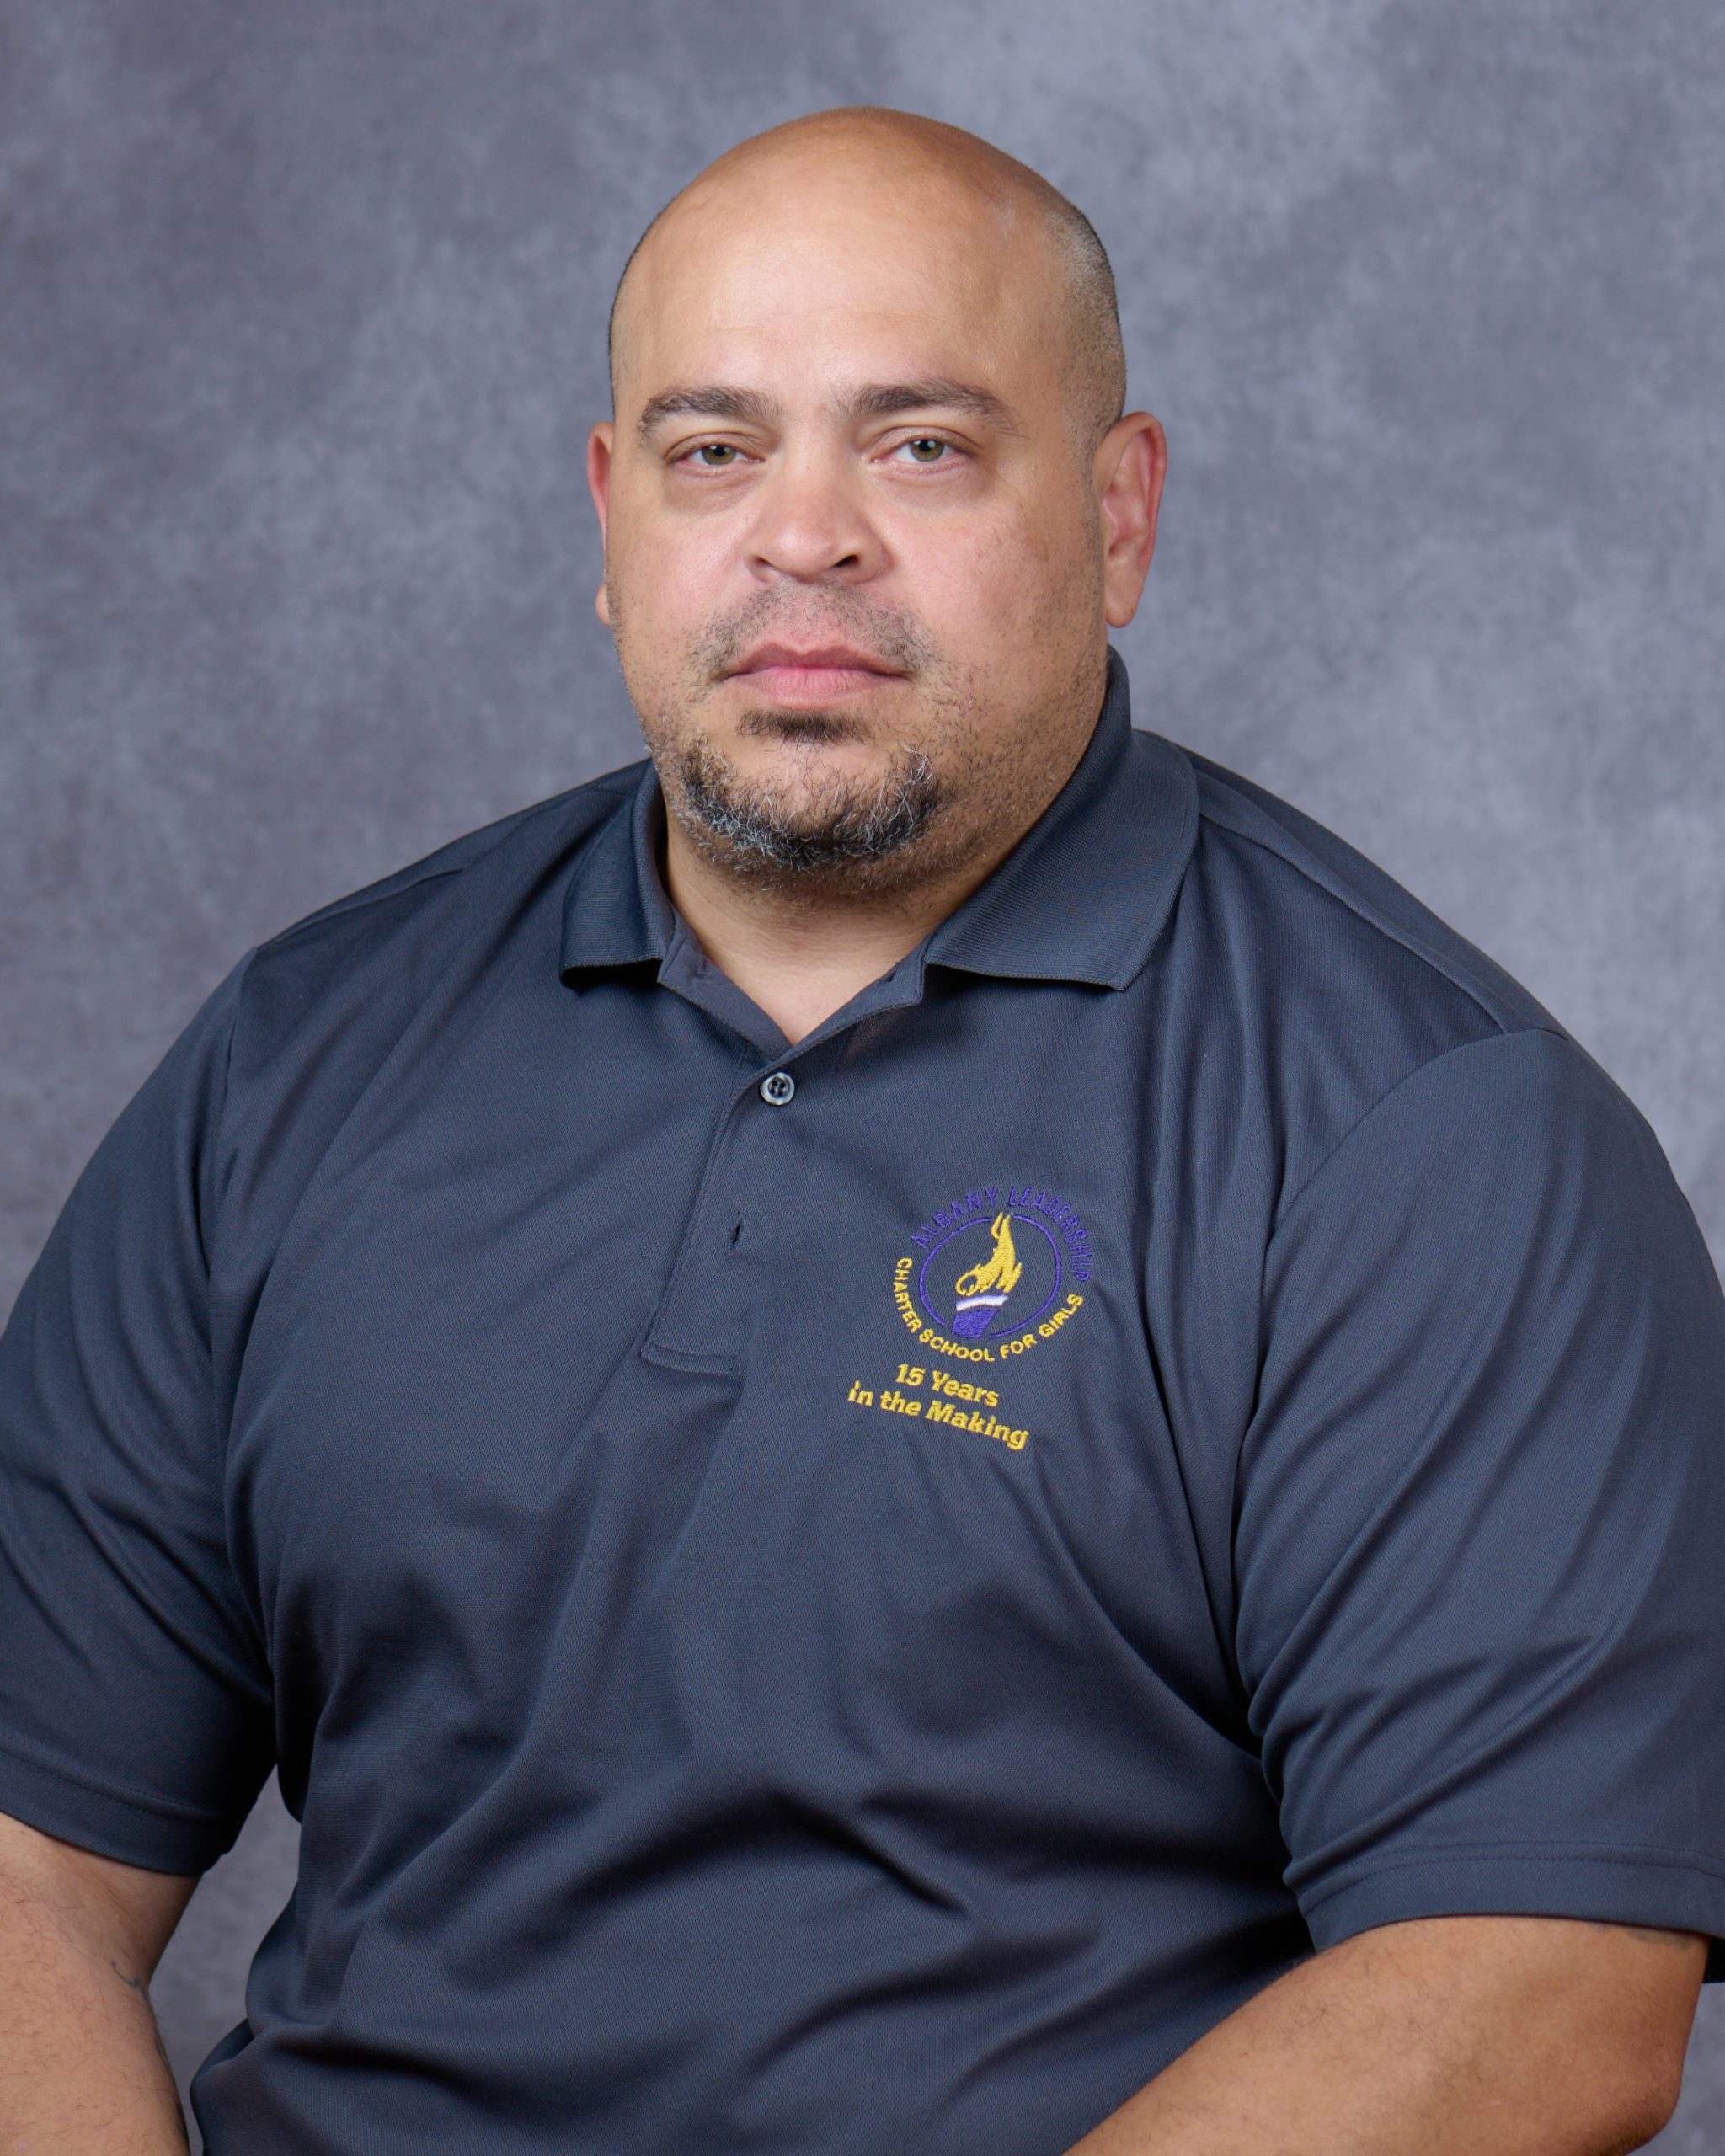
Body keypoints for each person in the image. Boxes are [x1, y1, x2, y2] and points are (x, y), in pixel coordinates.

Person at [0, 103, 1721, 2156]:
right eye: (713, 450)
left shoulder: (1426, 1131)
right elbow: (27, 1872)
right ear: (610, 517)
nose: (801, 536)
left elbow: (1537, 1980)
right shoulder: (298, 1057)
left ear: (1120, 516)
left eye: (918, 445)